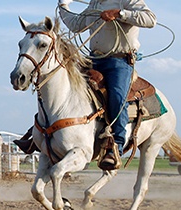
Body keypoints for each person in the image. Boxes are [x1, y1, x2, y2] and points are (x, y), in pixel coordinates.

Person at [58, 0, 156, 169]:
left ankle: (115, 146)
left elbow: (150, 19)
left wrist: (120, 13)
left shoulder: (128, 1)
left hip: (119, 61)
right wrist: (63, 6)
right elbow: (76, 25)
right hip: (93, 60)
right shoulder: (94, 4)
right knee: (64, 87)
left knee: (117, 97)